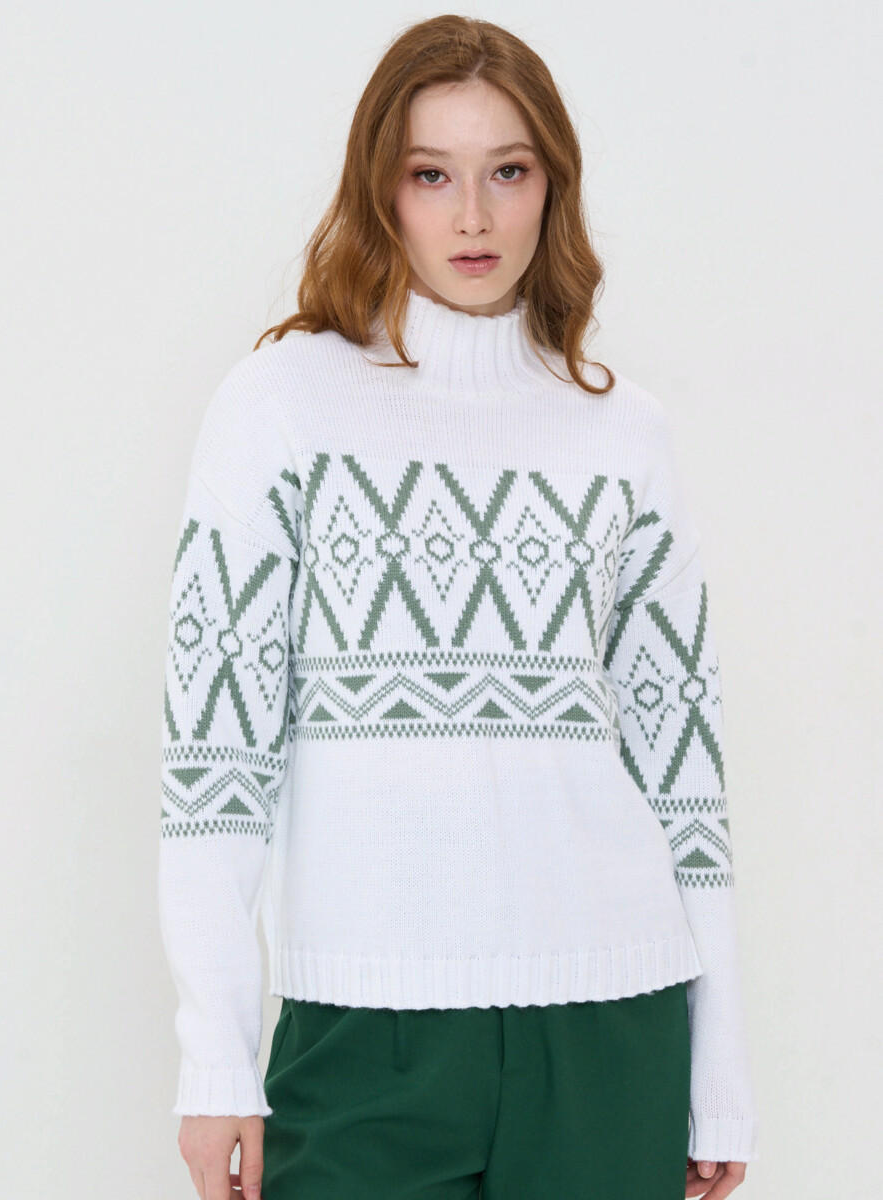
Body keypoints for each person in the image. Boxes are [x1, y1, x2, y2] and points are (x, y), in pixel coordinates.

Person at [157, 15, 759, 1200]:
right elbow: (217, 758)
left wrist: (719, 1070)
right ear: (379, 189)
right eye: (431, 174)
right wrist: (214, 1058)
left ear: (553, 187)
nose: (473, 217)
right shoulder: (279, 404)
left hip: (613, 1024)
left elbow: (683, 765)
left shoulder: (624, 433)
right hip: (363, 1027)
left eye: (508, 172)